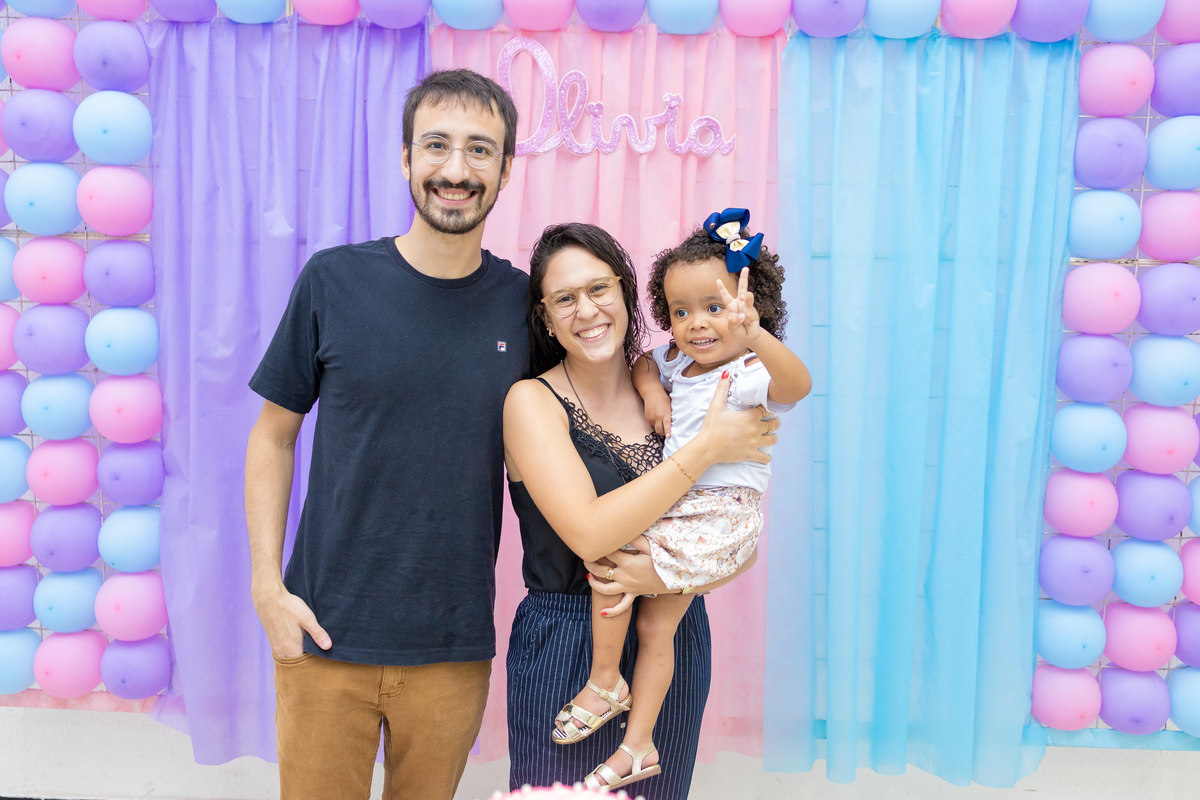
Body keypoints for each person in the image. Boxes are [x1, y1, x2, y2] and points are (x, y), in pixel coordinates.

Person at [244, 69, 527, 800]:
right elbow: (272, 437)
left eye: (479, 150)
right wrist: (268, 589)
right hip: (322, 634)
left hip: (451, 644)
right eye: (436, 146)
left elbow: (595, 398)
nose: (455, 170)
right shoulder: (333, 281)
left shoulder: (527, 308)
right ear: (406, 159)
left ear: (504, 170)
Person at [502, 222, 781, 799]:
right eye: (565, 299)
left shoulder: (688, 386)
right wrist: (706, 446)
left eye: (600, 289)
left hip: (672, 636)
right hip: (568, 643)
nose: (587, 310)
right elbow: (588, 534)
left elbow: (736, 535)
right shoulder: (531, 401)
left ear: (628, 294)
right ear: (545, 318)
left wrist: (670, 572)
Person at [561, 209, 812, 791]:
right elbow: (647, 362)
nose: (696, 324)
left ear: (753, 310)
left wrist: (757, 339)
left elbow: (796, 386)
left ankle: (605, 684)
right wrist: (652, 392)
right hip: (681, 507)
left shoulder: (748, 372)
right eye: (680, 311)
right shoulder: (677, 362)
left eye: (715, 308)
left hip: (721, 515)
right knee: (653, 628)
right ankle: (638, 744)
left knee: (612, 566)